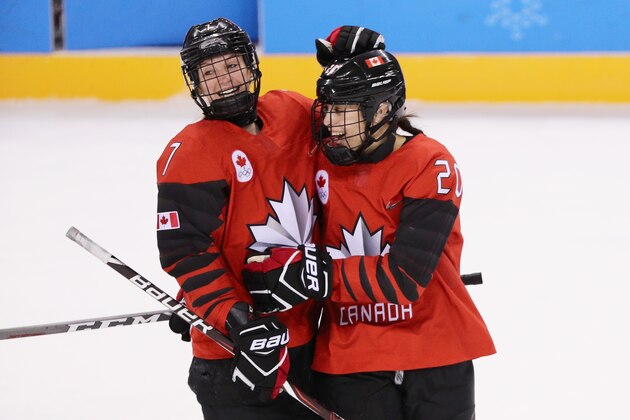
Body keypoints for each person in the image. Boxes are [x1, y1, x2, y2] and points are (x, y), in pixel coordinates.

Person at [242, 48, 496, 419]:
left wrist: (315, 274)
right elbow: (255, 213)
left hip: (436, 348)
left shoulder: (430, 164)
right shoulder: (318, 159)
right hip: (349, 355)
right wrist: (211, 296)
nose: (332, 122)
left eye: (344, 110)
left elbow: (405, 277)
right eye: (328, 108)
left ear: (381, 111)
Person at [156, 18, 385, 419]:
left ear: (252, 65)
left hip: (313, 339)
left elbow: (359, 128)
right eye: (208, 73)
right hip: (239, 357)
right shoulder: (189, 152)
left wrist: (362, 66)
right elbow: (187, 252)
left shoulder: (292, 111)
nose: (223, 81)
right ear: (193, 84)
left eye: (231, 66)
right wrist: (228, 311)